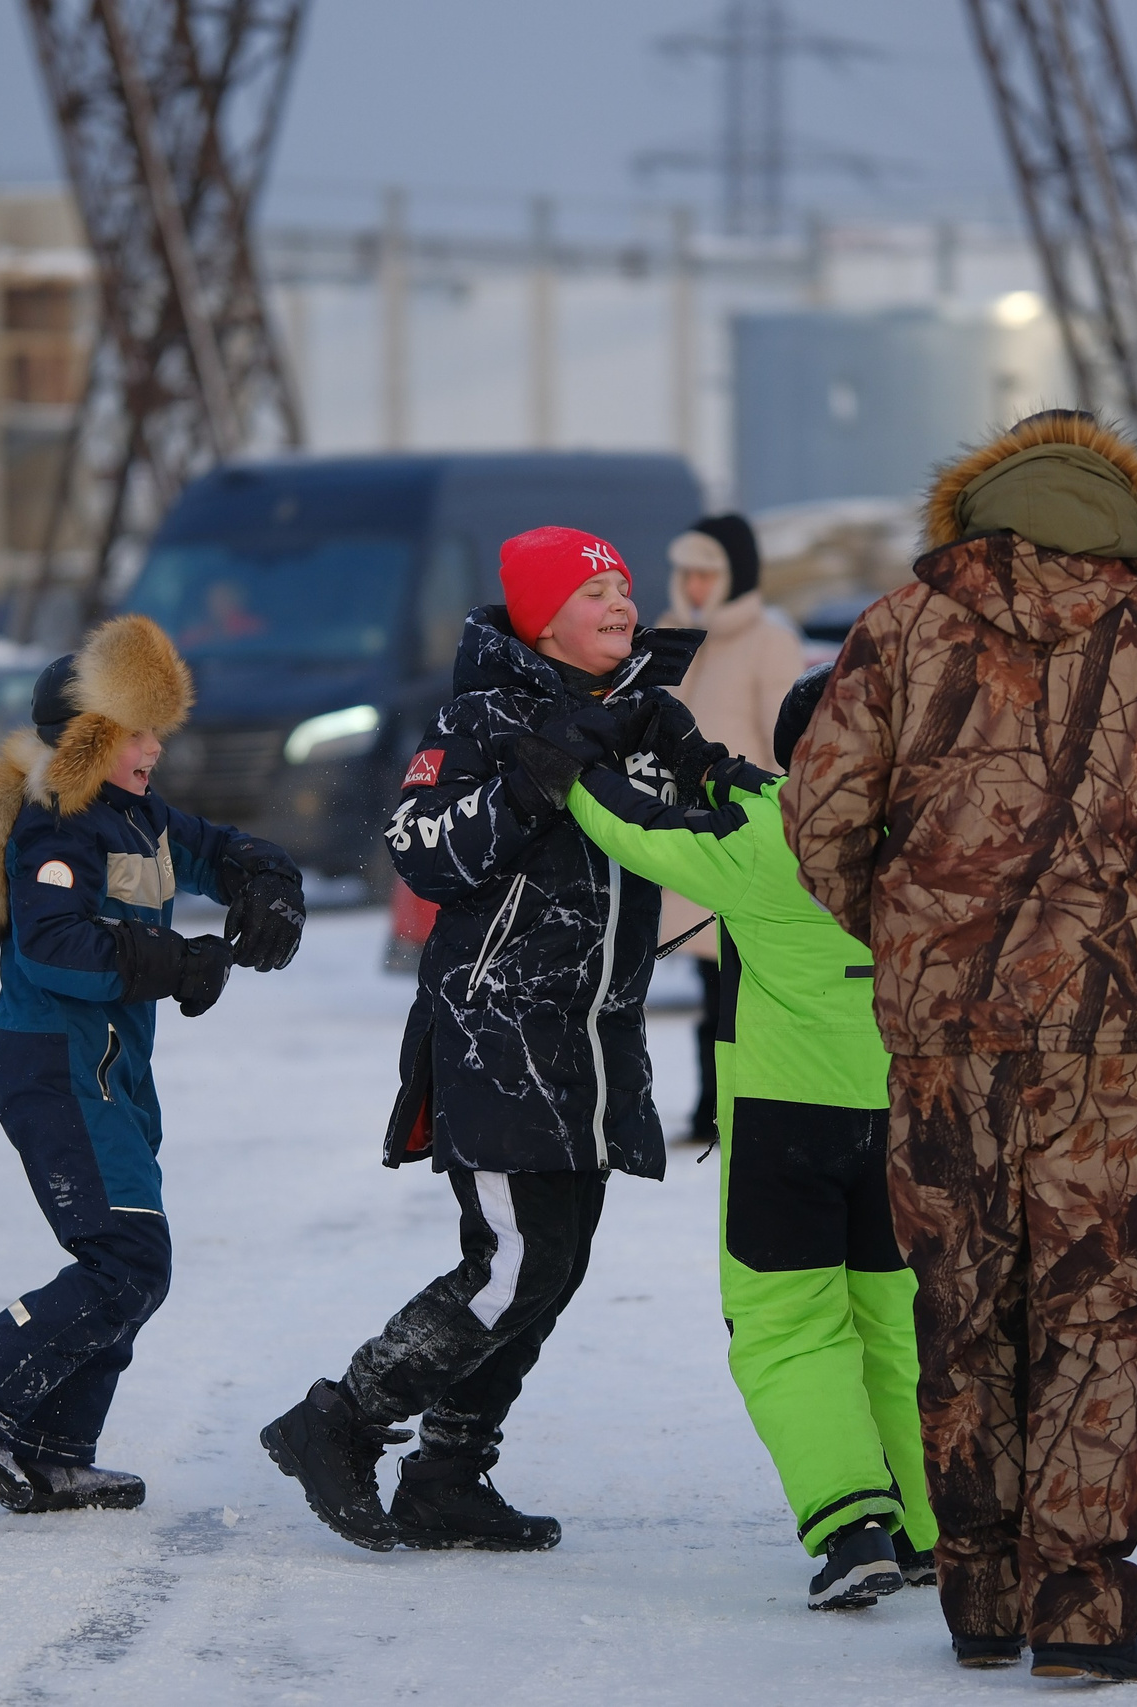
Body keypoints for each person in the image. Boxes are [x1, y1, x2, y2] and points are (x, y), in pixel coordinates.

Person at [780, 410, 1137, 1682]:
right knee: (1095, 1313)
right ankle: (1079, 1616)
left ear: (976, 511)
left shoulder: (897, 628)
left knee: (960, 1310)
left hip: (942, 1044)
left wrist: (911, 940)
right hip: (1108, 1043)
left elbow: (820, 813)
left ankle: (980, 1603)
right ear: (1127, 521)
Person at [260, 526, 718, 1553]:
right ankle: (339, 1419)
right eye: (593, 591)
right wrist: (530, 780)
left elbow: (702, 821)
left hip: (595, 1035)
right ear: (541, 620)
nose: (620, 602)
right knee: (514, 1261)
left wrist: (727, 780)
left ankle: (448, 1474)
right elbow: (420, 851)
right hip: (498, 1029)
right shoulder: (482, 718)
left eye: (622, 586)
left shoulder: (646, 714)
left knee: (556, 1265)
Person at [0, 615, 305, 1515]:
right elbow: (54, 947)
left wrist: (268, 881)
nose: (154, 749)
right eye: (136, 732)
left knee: (129, 1261)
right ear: (87, 738)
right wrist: (175, 962)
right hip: (56, 1066)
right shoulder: (58, 828)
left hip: (112, 1069)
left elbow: (213, 848)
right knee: (126, 1258)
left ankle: (55, 1450)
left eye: (156, 731)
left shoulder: (138, 816)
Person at [565, 665, 936, 1611]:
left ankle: (851, 1527)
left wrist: (567, 766)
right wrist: (715, 766)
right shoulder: (926, 836)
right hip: (906, 1119)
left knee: (787, 1323)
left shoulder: (766, 841)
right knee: (896, 1325)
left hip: (785, 1123)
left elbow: (635, 829)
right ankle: (932, 1528)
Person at [655, 514, 806, 1142]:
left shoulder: (768, 642)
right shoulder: (669, 636)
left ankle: (738, 1105)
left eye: (708, 573)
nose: (695, 585)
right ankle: (717, 1104)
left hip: (742, 837)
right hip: (681, 837)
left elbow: (791, 744)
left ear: (734, 574)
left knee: (739, 987)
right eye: (687, 572)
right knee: (712, 985)